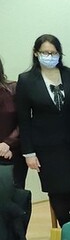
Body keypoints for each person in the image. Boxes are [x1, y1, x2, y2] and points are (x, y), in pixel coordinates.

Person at [16, 35, 70, 226]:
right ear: (36, 53)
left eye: (54, 53)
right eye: (45, 52)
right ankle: (66, 229)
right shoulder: (26, 79)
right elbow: (24, 119)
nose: (50, 56)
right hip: (46, 147)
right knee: (56, 191)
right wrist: (29, 153)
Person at [0, 57, 26, 189]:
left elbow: (25, 120)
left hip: (14, 152)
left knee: (15, 194)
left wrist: (7, 143)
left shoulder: (13, 88)